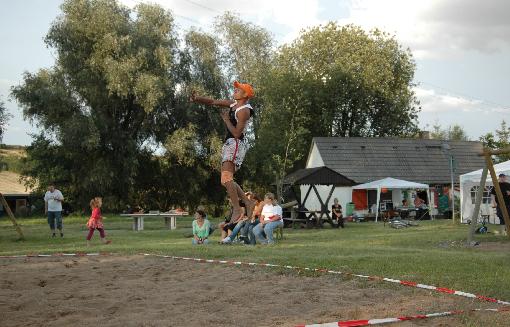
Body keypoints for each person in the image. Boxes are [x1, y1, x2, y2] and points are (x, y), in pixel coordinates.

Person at [190, 81, 255, 222]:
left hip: (236, 143)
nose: (235, 90)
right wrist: (197, 99)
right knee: (226, 180)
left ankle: (238, 209)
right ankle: (247, 202)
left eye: (239, 90)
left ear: (245, 95)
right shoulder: (233, 104)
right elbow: (213, 101)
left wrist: (226, 120)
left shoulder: (244, 110)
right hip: (230, 143)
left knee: (226, 178)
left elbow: (237, 133)